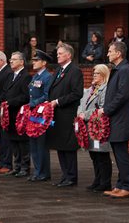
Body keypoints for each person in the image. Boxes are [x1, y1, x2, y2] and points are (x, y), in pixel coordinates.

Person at [98, 41, 129, 199]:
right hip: (117, 119)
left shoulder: (125, 70)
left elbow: (123, 95)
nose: (107, 54)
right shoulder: (119, 69)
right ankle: (121, 185)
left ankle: (127, 186)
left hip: (122, 119)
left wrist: (106, 110)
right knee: (118, 153)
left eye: (110, 51)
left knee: (121, 154)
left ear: (118, 53)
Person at [47, 43, 84, 187]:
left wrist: (58, 101)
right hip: (56, 114)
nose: (58, 55)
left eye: (60, 53)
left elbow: (77, 93)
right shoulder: (58, 70)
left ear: (69, 55)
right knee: (59, 145)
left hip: (67, 114)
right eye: (57, 53)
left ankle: (71, 177)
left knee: (68, 146)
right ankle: (65, 175)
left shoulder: (75, 71)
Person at [77, 64, 112, 193]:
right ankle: (97, 180)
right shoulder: (91, 89)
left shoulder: (106, 89)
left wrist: (84, 115)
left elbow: (102, 107)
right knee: (93, 155)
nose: (94, 75)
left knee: (102, 156)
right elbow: (82, 103)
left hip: (99, 128)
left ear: (103, 74)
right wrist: (79, 114)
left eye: (97, 73)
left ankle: (105, 182)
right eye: (94, 73)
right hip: (89, 126)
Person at [2, 51, 32, 178]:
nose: (11, 61)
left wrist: (10, 102)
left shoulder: (26, 76)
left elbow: (25, 96)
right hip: (10, 114)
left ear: (21, 62)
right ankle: (17, 166)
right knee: (13, 141)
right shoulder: (11, 76)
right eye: (10, 59)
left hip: (20, 114)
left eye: (14, 59)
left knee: (22, 142)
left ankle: (25, 167)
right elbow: (6, 92)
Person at [27, 49, 53, 182]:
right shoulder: (35, 76)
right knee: (34, 143)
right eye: (33, 60)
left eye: (36, 60)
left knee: (41, 144)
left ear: (44, 63)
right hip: (33, 114)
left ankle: (43, 172)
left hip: (41, 114)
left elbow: (47, 96)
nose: (33, 62)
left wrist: (34, 103)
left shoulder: (47, 77)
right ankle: (37, 171)